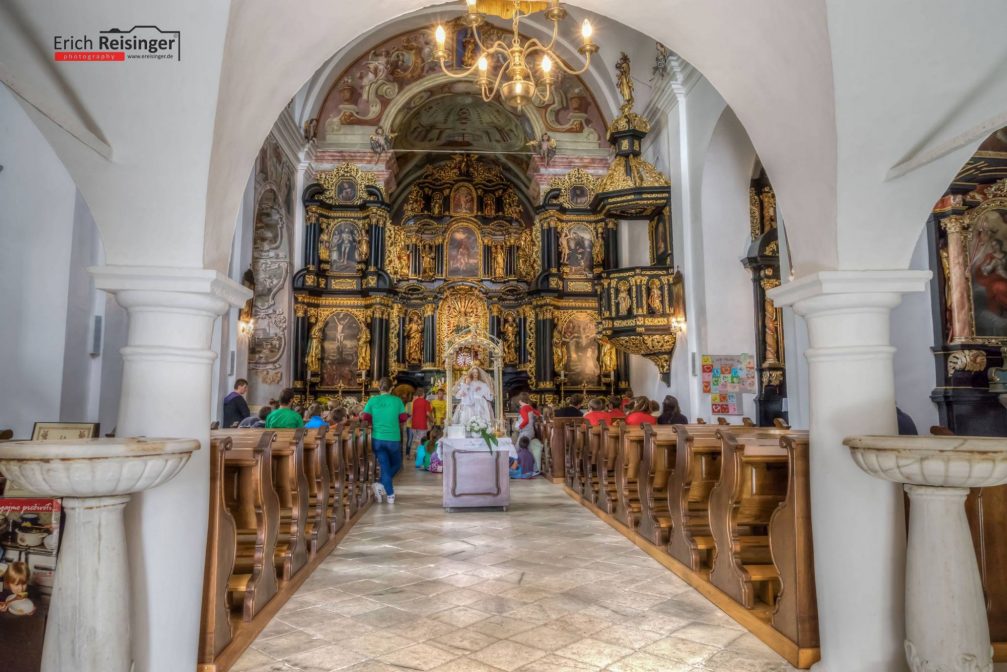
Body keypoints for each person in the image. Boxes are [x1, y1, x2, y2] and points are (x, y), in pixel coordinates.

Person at [361, 377, 408, 503]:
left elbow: (365, 417)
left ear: (378, 388)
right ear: (392, 388)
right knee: (397, 464)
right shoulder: (397, 401)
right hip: (393, 438)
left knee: (385, 466)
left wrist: (376, 421)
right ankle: (390, 494)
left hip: (378, 438)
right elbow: (403, 418)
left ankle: (381, 485)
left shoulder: (372, 400)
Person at [410, 387, 432, 455]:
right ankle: (420, 457)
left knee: (416, 441)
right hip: (422, 424)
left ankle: (416, 453)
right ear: (423, 394)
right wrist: (432, 419)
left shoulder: (414, 402)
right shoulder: (426, 402)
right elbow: (428, 413)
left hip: (414, 424)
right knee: (422, 442)